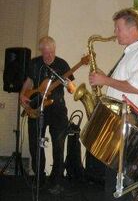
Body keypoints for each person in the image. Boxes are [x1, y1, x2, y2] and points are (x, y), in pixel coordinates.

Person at [89, 8, 138, 200]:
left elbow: (136, 88)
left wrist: (105, 81)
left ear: (133, 28)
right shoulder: (131, 54)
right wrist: (104, 79)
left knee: (122, 184)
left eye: (118, 28)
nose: (114, 33)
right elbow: (123, 86)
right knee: (113, 181)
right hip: (122, 122)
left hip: (131, 123)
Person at [20, 36, 75, 194]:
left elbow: (72, 89)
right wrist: (23, 95)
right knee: (35, 145)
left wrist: (68, 84)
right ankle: (39, 178)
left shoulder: (62, 64)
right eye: (45, 53)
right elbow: (29, 82)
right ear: (41, 51)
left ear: (55, 50)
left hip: (58, 111)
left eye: (51, 52)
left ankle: (56, 181)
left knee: (58, 147)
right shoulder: (35, 63)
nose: (49, 56)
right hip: (38, 108)